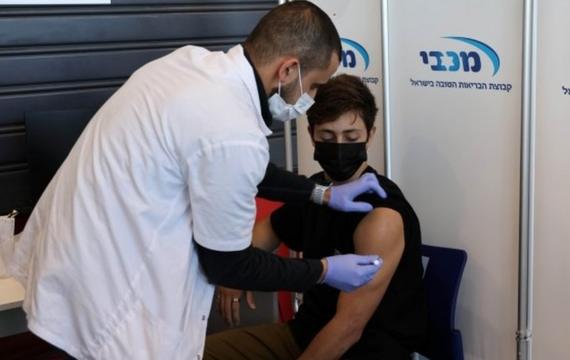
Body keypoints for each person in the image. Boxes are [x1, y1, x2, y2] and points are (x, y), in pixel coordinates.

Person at [1, 2, 386, 359]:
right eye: (315, 86)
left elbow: (243, 170)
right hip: (115, 298)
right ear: (287, 70)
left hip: (77, 263)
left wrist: (321, 193)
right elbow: (229, 266)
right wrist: (324, 271)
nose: (313, 99)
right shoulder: (232, 129)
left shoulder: (188, 64)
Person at [204, 74, 429, 360]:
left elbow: (347, 329)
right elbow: (258, 238)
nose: (338, 146)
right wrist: (232, 272)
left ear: (370, 135)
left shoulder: (381, 216)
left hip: (366, 350)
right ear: (311, 135)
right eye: (327, 136)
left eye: (351, 137)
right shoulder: (316, 192)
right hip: (304, 334)